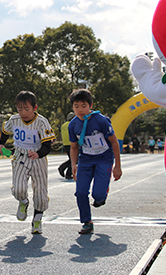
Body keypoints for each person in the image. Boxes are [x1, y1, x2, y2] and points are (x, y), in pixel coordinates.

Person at [0, 91, 56, 234]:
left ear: (35, 108)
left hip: (37, 158)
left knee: (40, 193)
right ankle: (23, 202)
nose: (23, 112)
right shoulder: (14, 120)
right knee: (18, 189)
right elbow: (5, 131)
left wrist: (39, 153)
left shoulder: (42, 122)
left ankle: (37, 219)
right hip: (20, 157)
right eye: (20, 109)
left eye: (27, 109)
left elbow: (47, 145)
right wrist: (1, 144)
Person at [68, 89, 122, 234]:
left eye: (84, 106)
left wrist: (117, 166)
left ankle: (102, 193)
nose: (80, 110)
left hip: (103, 159)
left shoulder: (101, 121)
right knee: (80, 192)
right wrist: (74, 165)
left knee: (98, 196)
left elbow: (115, 142)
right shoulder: (72, 125)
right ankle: (87, 222)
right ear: (72, 107)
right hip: (85, 160)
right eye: (76, 106)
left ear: (90, 105)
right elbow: (74, 147)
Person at [58, 112, 75, 180]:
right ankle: (67, 173)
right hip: (72, 143)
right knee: (74, 159)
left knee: (72, 159)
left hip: (65, 143)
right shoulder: (73, 124)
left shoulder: (63, 125)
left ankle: (62, 168)